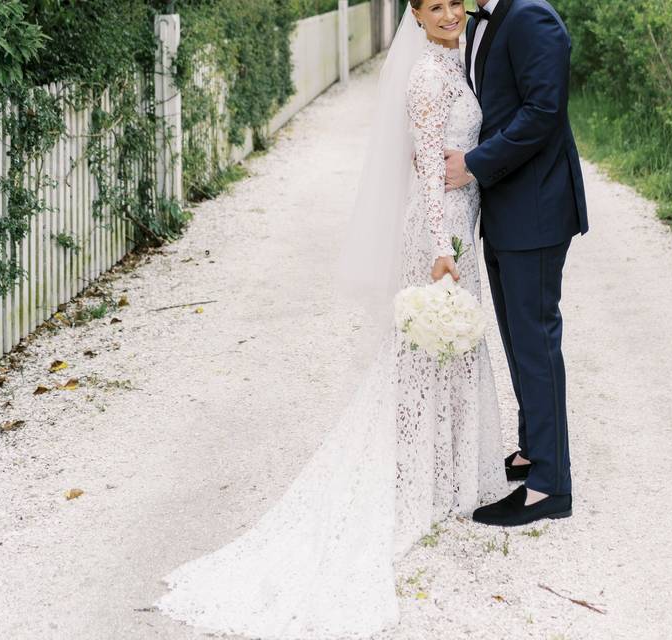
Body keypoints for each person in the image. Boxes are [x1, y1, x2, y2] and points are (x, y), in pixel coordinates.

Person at [150, 2, 511, 638]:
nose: (450, 13)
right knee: (425, 352)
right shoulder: (426, 76)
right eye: (434, 7)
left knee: (447, 353)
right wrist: (439, 248)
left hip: (463, 223)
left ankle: (445, 475)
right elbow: (428, 168)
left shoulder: (454, 62)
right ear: (416, 15)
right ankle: (421, 480)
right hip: (439, 233)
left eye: (454, 2)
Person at [445, 0, 589, 527]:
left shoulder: (531, 16)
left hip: (536, 209)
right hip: (506, 209)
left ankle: (550, 486)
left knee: (536, 345)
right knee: (517, 340)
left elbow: (543, 112)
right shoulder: (486, 19)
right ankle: (533, 451)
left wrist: (474, 165)